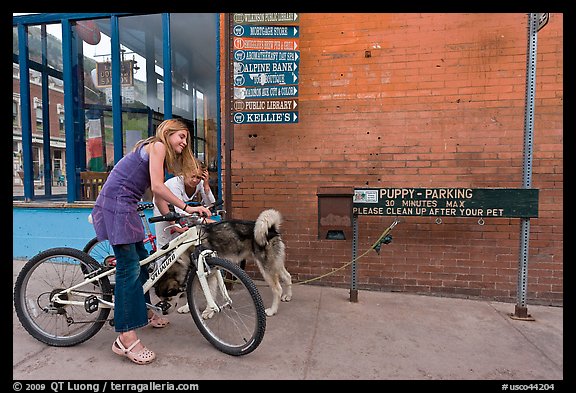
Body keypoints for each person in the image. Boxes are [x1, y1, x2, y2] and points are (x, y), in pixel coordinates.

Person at [90, 119, 211, 365]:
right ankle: (125, 337)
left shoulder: (160, 153)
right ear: (168, 133)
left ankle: (143, 311)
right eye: (181, 136)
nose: (184, 142)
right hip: (116, 205)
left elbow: (157, 193)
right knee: (129, 269)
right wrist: (187, 207)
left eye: (186, 138)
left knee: (143, 261)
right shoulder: (157, 146)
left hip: (127, 205)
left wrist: (173, 214)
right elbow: (158, 186)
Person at [153, 162, 216, 247]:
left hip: (179, 209)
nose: (195, 180)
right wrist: (204, 221)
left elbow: (210, 204)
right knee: (164, 243)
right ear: (185, 173)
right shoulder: (175, 183)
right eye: (193, 176)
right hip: (162, 206)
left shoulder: (200, 183)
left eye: (198, 177)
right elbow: (180, 211)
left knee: (179, 241)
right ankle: (160, 260)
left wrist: (206, 186)